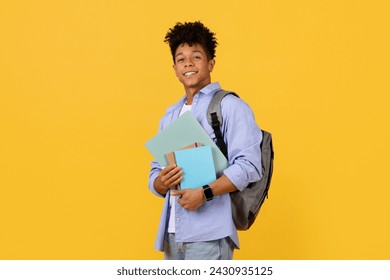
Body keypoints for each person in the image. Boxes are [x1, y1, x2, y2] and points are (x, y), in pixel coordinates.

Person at [148, 21, 262, 260]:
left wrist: (205, 193)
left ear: (211, 63)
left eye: (196, 56)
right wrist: (161, 182)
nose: (188, 63)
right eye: (181, 59)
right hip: (171, 236)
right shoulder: (169, 116)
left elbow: (250, 167)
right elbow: (155, 175)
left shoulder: (231, 107)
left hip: (210, 235)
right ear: (174, 68)